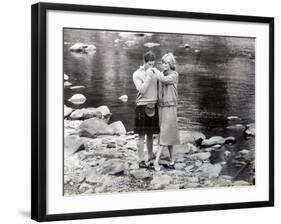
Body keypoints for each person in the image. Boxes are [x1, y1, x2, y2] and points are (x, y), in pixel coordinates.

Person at [153, 53, 180, 171]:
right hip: (162, 107)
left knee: (166, 133)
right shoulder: (161, 74)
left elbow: (164, 80)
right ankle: (171, 160)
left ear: (171, 64)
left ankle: (156, 162)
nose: (163, 65)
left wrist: (155, 71)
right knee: (167, 132)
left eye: (166, 63)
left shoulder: (174, 75)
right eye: (162, 63)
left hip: (170, 107)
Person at [133, 51, 160, 168]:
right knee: (141, 135)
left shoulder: (155, 72)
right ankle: (140, 160)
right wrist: (149, 75)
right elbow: (142, 90)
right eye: (149, 64)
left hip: (153, 104)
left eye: (153, 64)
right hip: (141, 105)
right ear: (144, 62)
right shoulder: (136, 74)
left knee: (150, 134)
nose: (151, 66)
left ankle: (150, 155)